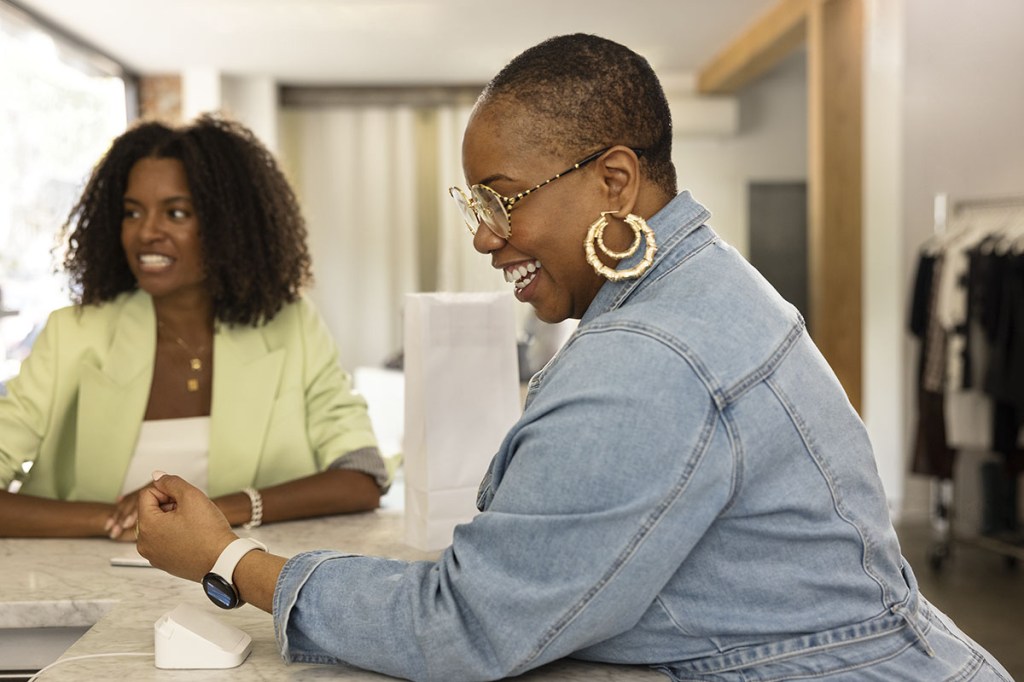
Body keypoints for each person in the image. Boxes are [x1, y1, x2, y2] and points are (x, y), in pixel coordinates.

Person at [136, 35, 1012, 681]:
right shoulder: (695, 282)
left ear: (616, 182)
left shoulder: (649, 356)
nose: (484, 234)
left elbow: (468, 627)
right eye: (472, 201)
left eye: (501, 198)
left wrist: (227, 560)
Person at [0, 114, 388, 540]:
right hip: (92, 589)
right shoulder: (72, 334)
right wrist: (114, 520)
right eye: (132, 212)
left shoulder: (291, 326)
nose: (147, 231)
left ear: (229, 225)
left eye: (177, 212)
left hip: (247, 586)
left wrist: (213, 512)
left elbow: (362, 475)